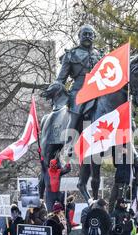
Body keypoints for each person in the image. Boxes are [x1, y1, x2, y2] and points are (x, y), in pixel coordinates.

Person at [42, 24, 103, 157]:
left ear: (94, 37)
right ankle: (69, 143)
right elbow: (61, 78)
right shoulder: (71, 54)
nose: (87, 36)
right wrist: (55, 87)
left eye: (90, 34)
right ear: (79, 36)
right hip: (79, 90)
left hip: (97, 90)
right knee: (77, 109)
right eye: (84, 34)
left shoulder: (100, 55)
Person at [109, 145, 133, 213]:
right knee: (112, 199)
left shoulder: (130, 158)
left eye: (124, 148)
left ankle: (121, 216)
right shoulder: (121, 157)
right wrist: (113, 150)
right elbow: (115, 164)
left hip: (124, 182)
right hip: (117, 181)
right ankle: (110, 215)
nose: (122, 149)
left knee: (121, 200)